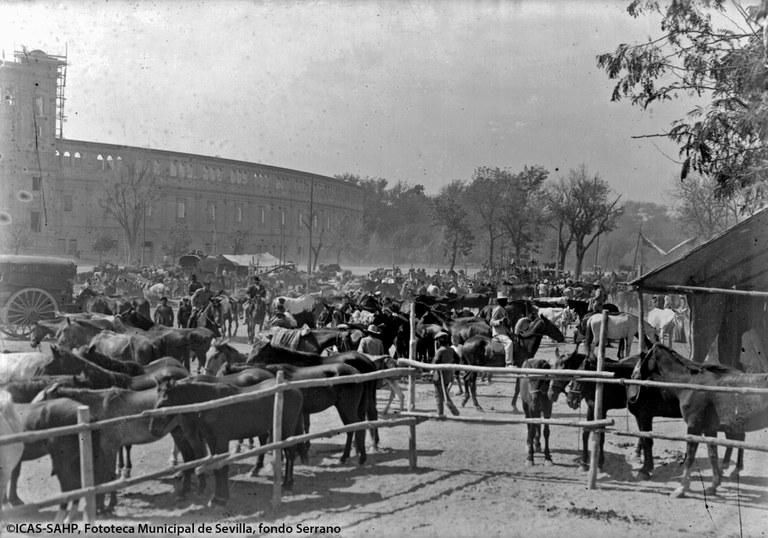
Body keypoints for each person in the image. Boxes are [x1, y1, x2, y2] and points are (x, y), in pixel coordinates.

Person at [432, 332, 459, 416]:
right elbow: (457, 359)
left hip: (440, 376)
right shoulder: (451, 350)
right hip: (448, 375)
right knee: (444, 394)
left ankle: (440, 413)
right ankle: (454, 411)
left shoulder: (440, 351)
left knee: (439, 395)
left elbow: (435, 363)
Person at [490, 291, 515, 368]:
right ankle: (508, 363)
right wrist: (500, 321)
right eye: (504, 300)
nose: (506, 301)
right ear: (500, 301)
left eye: (506, 300)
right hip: (498, 333)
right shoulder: (498, 309)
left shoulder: (503, 309)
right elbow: (491, 322)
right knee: (509, 343)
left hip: (504, 332)